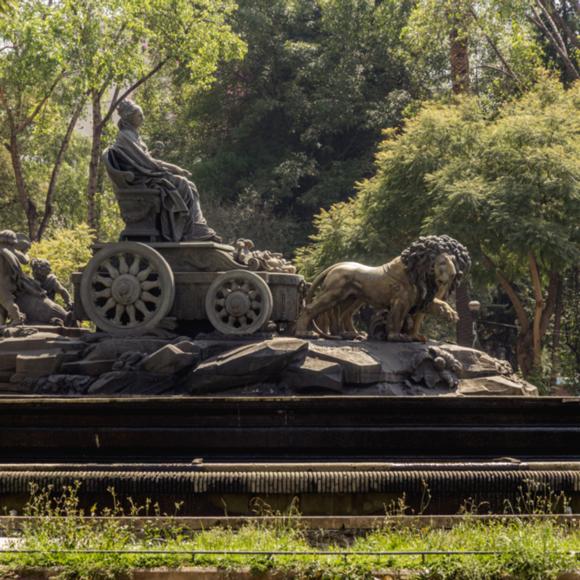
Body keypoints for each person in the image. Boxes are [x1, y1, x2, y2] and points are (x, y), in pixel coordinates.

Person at [106, 99, 220, 242]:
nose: (143, 118)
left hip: (145, 176)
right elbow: (146, 162)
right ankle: (192, 230)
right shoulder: (125, 136)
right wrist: (174, 168)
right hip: (143, 180)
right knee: (183, 184)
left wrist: (169, 166)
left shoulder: (133, 135)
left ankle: (196, 226)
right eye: (139, 115)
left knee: (190, 186)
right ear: (129, 117)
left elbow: (143, 159)